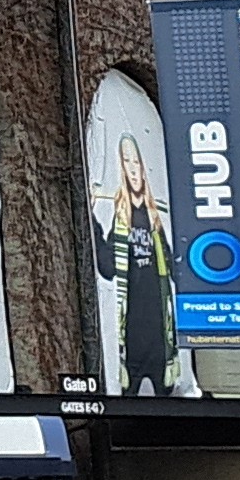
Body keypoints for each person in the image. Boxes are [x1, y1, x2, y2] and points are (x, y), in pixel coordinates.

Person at [89, 134, 179, 398]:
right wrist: (92, 220)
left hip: (161, 338)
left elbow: (175, 270)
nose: (132, 168)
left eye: (136, 161)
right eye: (126, 161)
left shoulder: (156, 221)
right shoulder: (119, 221)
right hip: (132, 339)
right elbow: (107, 268)